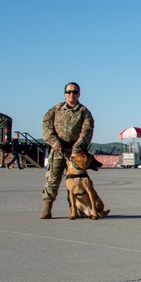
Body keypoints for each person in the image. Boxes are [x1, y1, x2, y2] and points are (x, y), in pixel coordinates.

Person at [40, 82, 94, 219]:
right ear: (64, 94)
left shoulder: (84, 112)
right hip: (57, 149)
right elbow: (46, 125)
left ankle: (75, 208)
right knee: (52, 179)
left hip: (75, 154)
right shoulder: (56, 109)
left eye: (75, 92)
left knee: (76, 182)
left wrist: (76, 148)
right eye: (69, 92)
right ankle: (47, 207)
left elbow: (87, 131)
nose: (72, 94)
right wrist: (54, 142)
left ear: (79, 94)